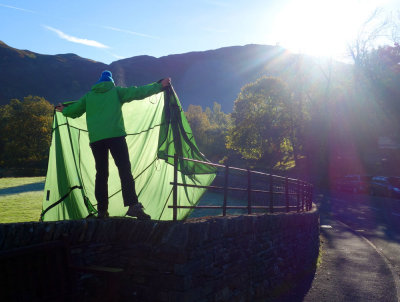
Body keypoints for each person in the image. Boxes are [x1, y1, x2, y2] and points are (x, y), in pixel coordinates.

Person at [55, 70, 171, 219]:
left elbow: (74, 110)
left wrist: (64, 110)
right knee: (124, 170)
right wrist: (158, 86)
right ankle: (133, 206)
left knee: (101, 174)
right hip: (116, 137)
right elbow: (138, 92)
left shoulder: (89, 97)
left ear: (98, 82)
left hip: (96, 140)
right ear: (111, 82)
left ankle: (102, 211)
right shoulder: (116, 92)